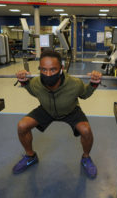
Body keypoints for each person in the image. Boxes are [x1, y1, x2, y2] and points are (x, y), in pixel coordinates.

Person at [13, 50, 102, 178]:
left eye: (53, 70)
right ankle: (30, 156)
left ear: (62, 68)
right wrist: (24, 81)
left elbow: (85, 94)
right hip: (46, 110)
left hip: (70, 110)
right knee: (22, 126)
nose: (48, 74)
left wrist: (94, 83)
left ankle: (86, 158)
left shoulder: (75, 84)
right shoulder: (36, 83)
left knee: (86, 131)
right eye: (43, 70)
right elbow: (33, 91)